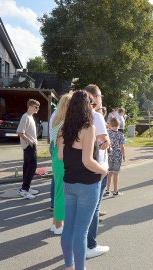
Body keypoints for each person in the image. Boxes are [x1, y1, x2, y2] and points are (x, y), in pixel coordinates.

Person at [58, 90, 108, 270]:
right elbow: (87, 161)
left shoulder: (64, 128)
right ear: (88, 106)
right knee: (81, 231)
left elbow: (61, 155)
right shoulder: (89, 128)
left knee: (69, 229)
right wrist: (103, 170)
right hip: (88, 184)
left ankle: (68, 266)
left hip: (69, 183)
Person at [84, 84, 111, 259]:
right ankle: (90, 245)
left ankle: (80, 244)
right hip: (98, 166)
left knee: (83, 208)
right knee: (94, 208)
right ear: (94, 97)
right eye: (100, 95)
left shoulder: (74, 115)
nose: (101, 98)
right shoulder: (96, 116)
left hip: (81, 167)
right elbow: (104, 142)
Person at [49, 93, 72, 235]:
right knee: (61, 193)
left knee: (58, 191)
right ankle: (58, 225)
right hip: (62, 159)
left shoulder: (56, 120)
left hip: (56, 160)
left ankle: (54, 223)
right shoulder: (65, 123)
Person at [16, 99, 40, 199]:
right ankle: (24, 189)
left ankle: (26, 187)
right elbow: (20, 132)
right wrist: (29, 141)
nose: (37, 108)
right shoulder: (25, 117)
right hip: (29, 145)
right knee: (32, 166)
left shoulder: (30, 117)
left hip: (30, 145)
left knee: (27, 166)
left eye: (38, 107)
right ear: (30, 106)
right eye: (36, 107)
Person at [105, 117, 126, 196]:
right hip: (117, 156)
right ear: (119, 125)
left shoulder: (107, 133)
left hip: (109, 155)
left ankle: (107, 190)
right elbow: (122, 147)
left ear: (110, 125)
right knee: (115, 173)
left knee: (109, 173)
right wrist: (124, 155)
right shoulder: (121, 135)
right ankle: (115, 191)